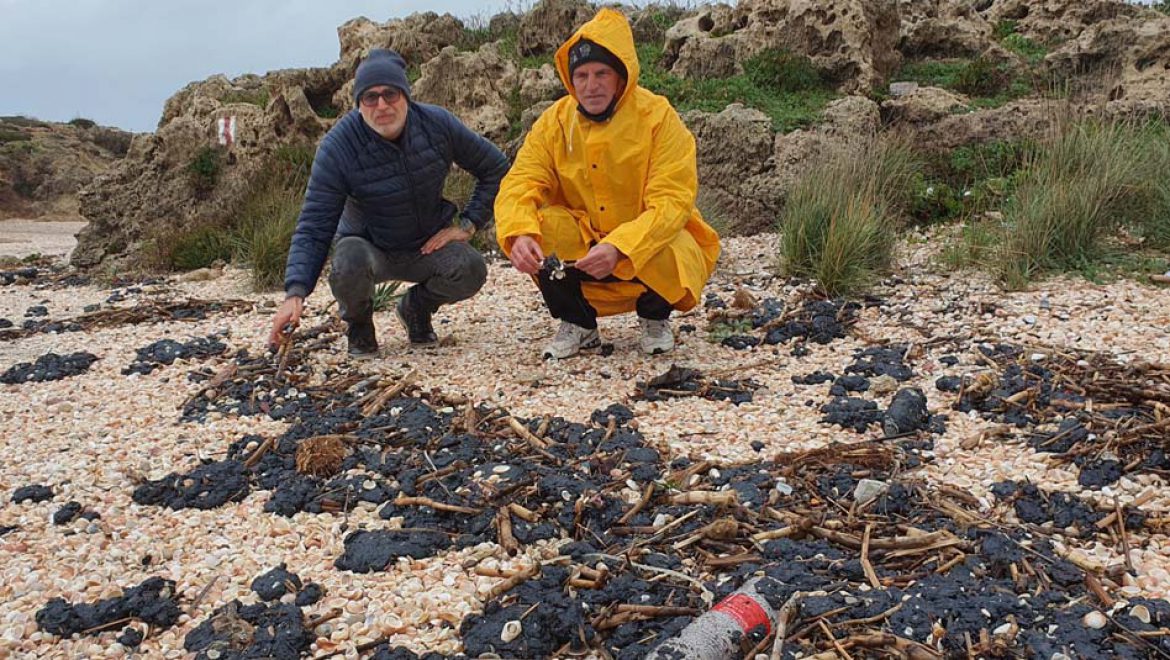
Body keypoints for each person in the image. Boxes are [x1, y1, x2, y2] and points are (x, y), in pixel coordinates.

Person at [494, 8, 720, 359]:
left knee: (675, 244)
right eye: (581, 75)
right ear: (571, 80)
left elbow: (672, 200)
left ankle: (654, 317)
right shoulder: (554, 121)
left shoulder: (658, 117)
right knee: (540, 229)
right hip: (586, 239)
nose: (591, 84)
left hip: (640, 239)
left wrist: (620, 247)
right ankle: (578, 323)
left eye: (602, 73)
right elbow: (520, 182)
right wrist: (519, 233)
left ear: (621, 76)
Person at [268, 48, 509, 357]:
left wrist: (468, 224)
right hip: (370, 248)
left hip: (425, 245)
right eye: (370, 97)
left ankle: (416, 309)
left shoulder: (437, 124)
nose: (381, 105)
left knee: (470, 268)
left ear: (406, 95)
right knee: (348, 260)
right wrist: (295, 293)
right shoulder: (338, 146)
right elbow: (315, 226)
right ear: (358, 103)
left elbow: (495, 167)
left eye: (390, 94)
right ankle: (360, 328)